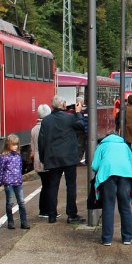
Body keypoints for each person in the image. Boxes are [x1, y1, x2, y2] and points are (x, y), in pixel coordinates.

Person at [39, 95, 83, 223]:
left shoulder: (46, 121)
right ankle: (71, 214)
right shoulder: (70, 118)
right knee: (71, 186)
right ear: (64, 105)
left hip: (52, 157)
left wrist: (43, 158)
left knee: (53, 186)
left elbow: (41, 141)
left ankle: (52, 215)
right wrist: (78, 113)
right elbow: (81, 126)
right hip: (69, 157)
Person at [91, 130, 132, 246]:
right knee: (125, 207)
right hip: (126, 175)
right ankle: (127, 238)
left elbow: (94, 166)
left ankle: (107, 239)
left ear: (107, 137)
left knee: (108, 206)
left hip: (108, 175)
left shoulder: (102, 146)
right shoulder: (125, 146)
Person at [0, 134, 29, 230]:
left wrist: (20, 178)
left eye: (16, 145)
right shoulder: (4, 157)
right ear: (8, 145)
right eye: (13, 144)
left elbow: (20, 167)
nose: (15, 146)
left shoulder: (18, 155)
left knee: (21, 202)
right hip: (8, 182)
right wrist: (1, 180)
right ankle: (10, 222)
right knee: (10, 202)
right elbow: (1, 169)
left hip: (18, 182)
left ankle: (24, 222)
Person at [30, 104, 52, 218]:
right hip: (46, 159)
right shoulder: (47, 128)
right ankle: (48, 210)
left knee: (44, 185)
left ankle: (42, 210)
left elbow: (32, 148)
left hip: (37, 159)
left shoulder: (34, 129)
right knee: (49, 186)